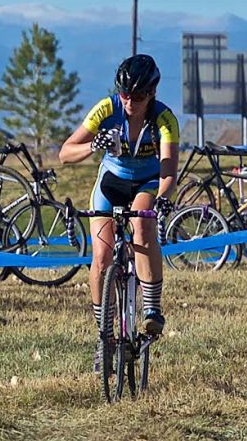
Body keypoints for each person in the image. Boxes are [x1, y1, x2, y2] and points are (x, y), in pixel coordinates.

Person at [58, 54, 179, 373]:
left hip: (148, 181)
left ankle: (152, 309)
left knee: (142, 223)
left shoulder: (164, 119)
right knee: (101, 256)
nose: (129, 102)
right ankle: (104, 338)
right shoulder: (106, 109)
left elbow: (168, 169)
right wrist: (92, 147)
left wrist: (164, 197)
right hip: (111, 181)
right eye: (125, 94)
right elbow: (65, 153)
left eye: (137, 97)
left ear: (151, 94)